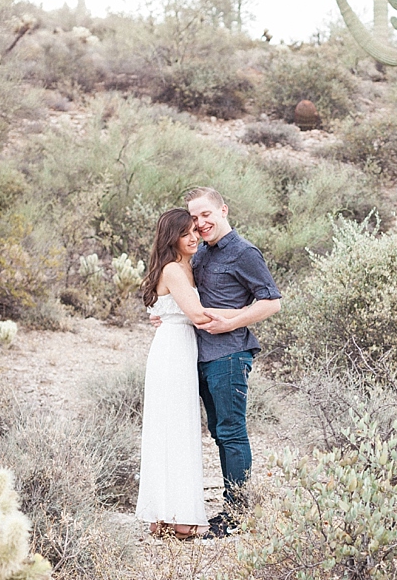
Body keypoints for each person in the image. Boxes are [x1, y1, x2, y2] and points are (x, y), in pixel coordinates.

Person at [153, 186, 282, 537]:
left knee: (231, 431)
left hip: (229, 353)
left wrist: (233, 320)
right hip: (198, 355)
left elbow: (271, 302)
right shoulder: (201, 253)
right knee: (218, 433)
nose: (200, 223)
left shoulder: (244, 253)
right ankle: (229, 507)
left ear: (223, 210)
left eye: (205, 214)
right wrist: (169, 313)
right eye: (194, 218)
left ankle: (238, 513)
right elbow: (182, 293)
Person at [136, 208, 245, 540]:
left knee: (179, 431)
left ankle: (169, 516)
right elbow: (197, 314)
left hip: (183, 350)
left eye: (195, 231)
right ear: (173, 238)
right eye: (186, 234)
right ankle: (173, 517)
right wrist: (248, 312)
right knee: (173, 430)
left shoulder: (188, 265)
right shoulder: (172, 269)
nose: (194, 237)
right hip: (173, 352)